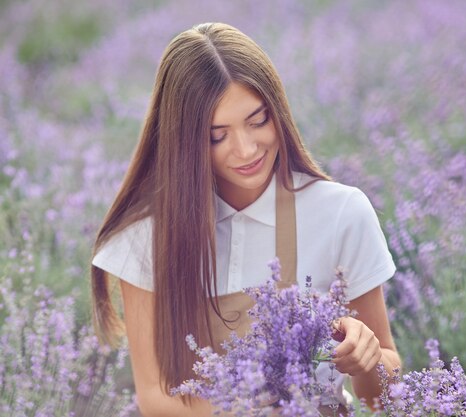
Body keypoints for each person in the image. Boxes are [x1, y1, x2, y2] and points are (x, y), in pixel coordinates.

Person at [91, 22, 401, 417]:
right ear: (181, 141)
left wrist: (368, 358)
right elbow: (154, 397)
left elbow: (382, 396)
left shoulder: (341, 212)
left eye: (258, 121)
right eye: (216, 136)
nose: (246, 149)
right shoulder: (145, 236)